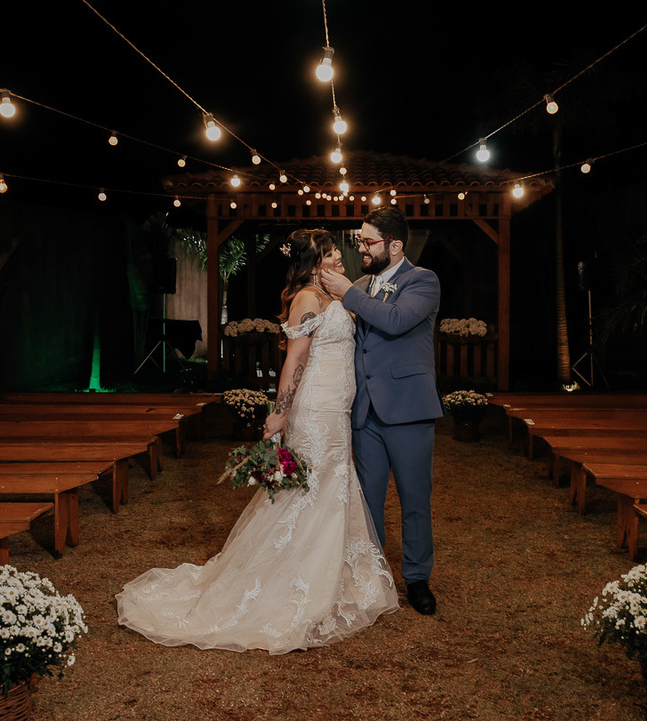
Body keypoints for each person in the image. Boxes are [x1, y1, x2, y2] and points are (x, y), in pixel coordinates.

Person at [116, 228, 398, 654]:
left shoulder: (337, 296)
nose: (340, 257)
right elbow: (295, 361)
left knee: (330, 490)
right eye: (331, 253)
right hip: (316, 411)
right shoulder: (307, 298)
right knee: (307, 493)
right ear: (315, 261)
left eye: (339, 251)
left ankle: (326, 576)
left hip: (337, 412)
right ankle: (292, 583)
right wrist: (280, 413)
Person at [320, 207, 442, 615]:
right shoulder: (360, 283)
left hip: (408, 410)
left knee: (414, 499)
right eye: (360, 241)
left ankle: (418, 578)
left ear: (395, 245)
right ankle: (371, 575)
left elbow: (394, 320)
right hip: (365, 413)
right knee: (368, 500)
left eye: (368, 242)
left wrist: (348, 293)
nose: (362, 249)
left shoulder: (422, 281)